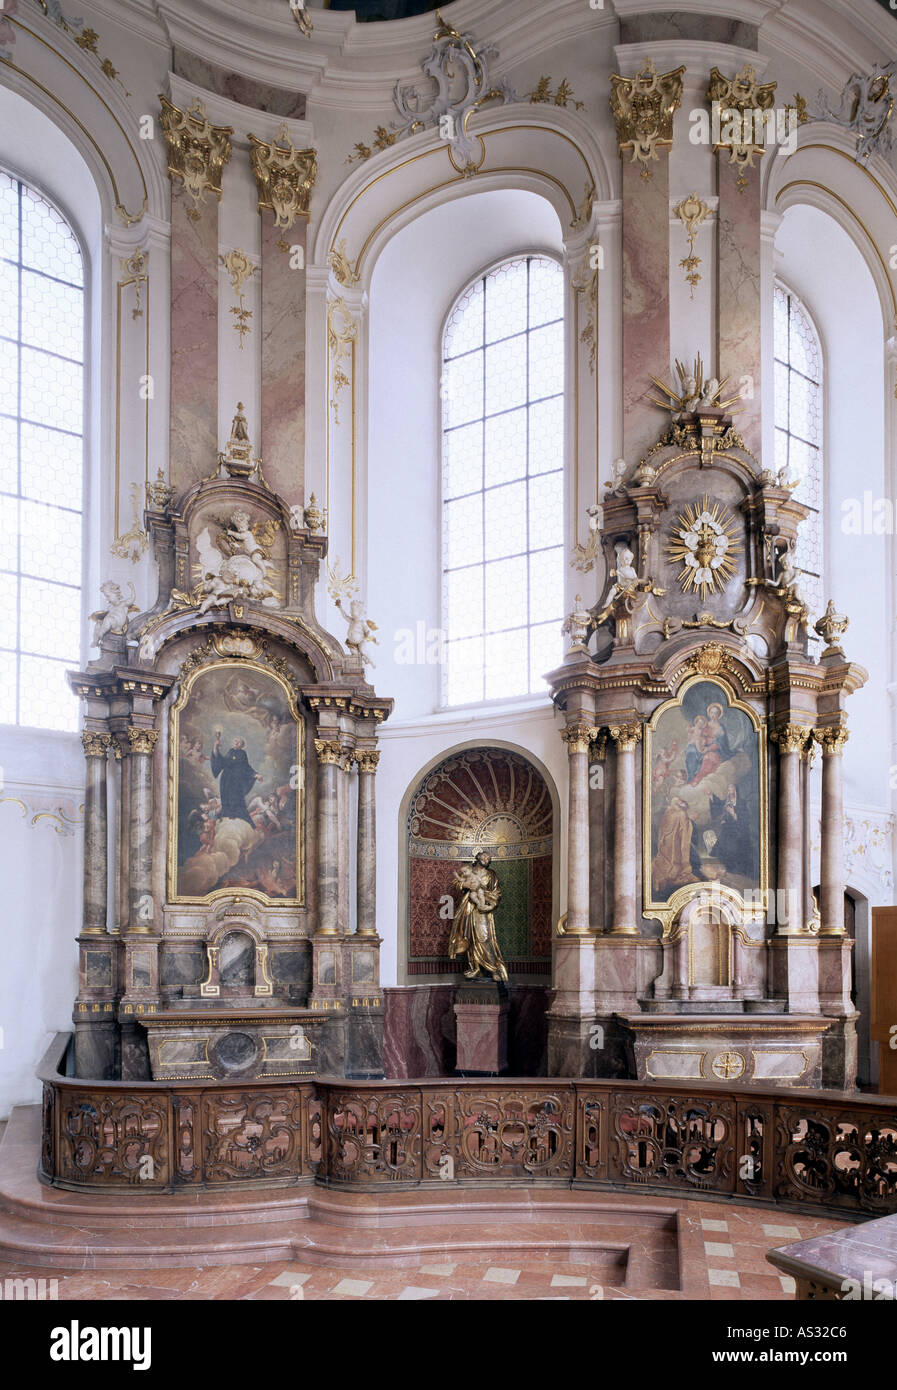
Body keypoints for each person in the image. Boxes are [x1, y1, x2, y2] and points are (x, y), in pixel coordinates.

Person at [448, 851, 508, 983]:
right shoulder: (469, 870)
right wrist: (466, 885)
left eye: (489, 858)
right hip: (468, 908)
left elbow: (497, 892)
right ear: (478, 857)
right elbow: (457, 882)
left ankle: (493, 969)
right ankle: (475, 968)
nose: (487, 859)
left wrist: (490, 905)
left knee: (484, 937)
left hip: (483, 910)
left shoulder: (491, 875)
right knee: (469, 938)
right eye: (484, 856)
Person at [210, 731, 262, 825]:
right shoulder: (230, 751)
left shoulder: (242, 754)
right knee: (226, 800)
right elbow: (222, 762)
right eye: (235, 741)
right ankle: (227, 817)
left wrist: (255, 774)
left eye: (238, 742)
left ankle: (238, 818)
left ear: (242, 746)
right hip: (226, 781)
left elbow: (246, 767)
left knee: (237, 800)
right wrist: (215, 748)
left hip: (236, 782)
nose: (235, 743)